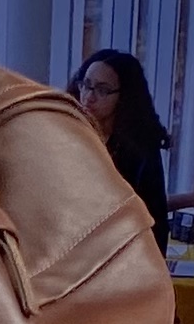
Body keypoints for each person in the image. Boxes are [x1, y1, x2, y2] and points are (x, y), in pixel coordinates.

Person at [71, 45, 173, 229]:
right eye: (86, 85)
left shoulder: (138, 152)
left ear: (124, 96)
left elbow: (153, 214)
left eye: (102, 90)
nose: (88, 97)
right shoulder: (69, 134)